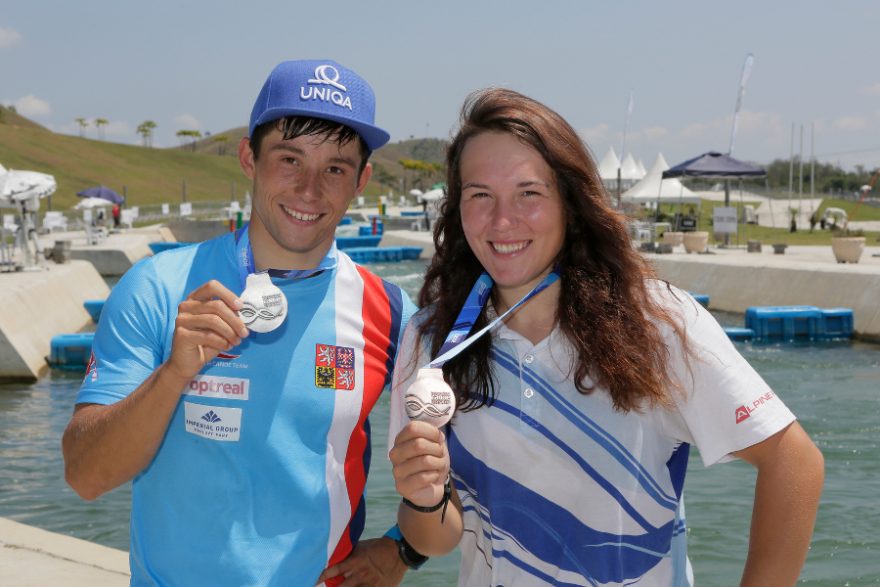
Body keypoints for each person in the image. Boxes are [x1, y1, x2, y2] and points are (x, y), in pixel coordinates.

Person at [387, 88, 824, 586]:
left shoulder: (657, 323)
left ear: (571, 204)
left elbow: (793, 461)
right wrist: (423, 496)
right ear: (457, 208)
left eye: (529, 193)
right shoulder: (431, 341)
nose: (502, 220)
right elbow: (436, 539)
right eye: (479, 195)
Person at [62, 59, 420, 586]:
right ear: (249, 158)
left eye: (336, 168)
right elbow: (85, 475)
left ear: (361, 180)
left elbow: (461, 451)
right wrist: (172, 376)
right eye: (290, 159)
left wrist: (404, 549)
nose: (309, 189)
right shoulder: (158, 287)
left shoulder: (389, 311)